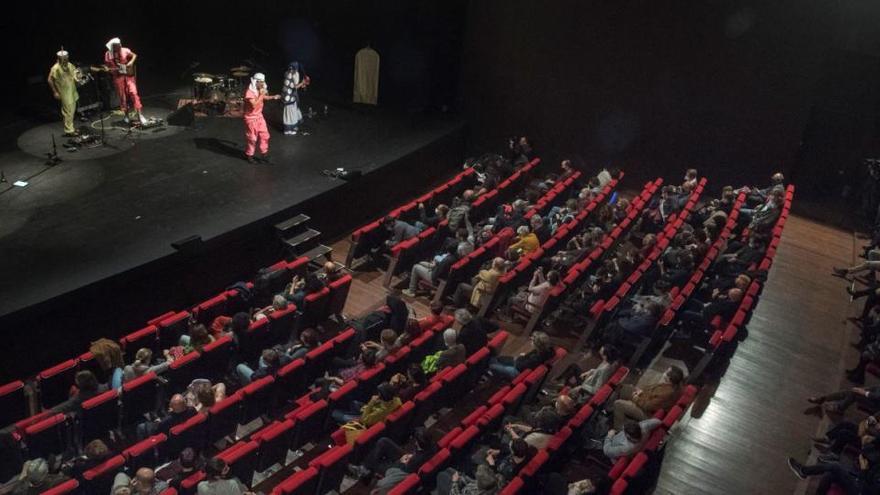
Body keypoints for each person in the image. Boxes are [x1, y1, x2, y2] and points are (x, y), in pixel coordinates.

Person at [348, 427, 436, 482]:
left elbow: (407, 470)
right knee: (384, 441)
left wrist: (403, 461)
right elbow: (417, 456)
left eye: (416, 440)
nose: (415, 442)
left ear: (419, 443)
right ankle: (367, 468)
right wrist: (409, 456)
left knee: (375, 461)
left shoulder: (417, 459)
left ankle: (363, 469)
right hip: (408, 459)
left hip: (399, 470)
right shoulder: (431, 446)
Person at [788, 443, 880, 494]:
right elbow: (869, 448)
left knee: (835, 466)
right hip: (861, 480)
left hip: (861, 490)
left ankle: (803, 471)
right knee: (829, 475)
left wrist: (864, 471)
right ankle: (803, 471)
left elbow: (868, 490)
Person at [611, 366, 684, 429]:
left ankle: (618, 429)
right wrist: (641, 392)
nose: (664, 372)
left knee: (618, 404)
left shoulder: (667, 392)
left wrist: (636, 397)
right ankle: (611, 412)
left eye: (666, 371)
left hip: (646, 414)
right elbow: (648, 391)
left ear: (669, 377)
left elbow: (648, 406)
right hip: (643, 401)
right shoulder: (667, 385)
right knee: (624, 388)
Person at [102, 37, 146, 125]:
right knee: (123, 97)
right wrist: (107, 69)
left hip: (128, 75)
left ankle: (140, 115)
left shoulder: (125, 50)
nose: (120, 46)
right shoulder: (108, 54)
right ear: (113, 46)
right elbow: (106, 65)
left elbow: (134, 55)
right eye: (118, 46)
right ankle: (126, 116)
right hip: (118, 77)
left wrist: (131, 62)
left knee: (134, 93)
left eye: (120, 45)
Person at [243, 72, 280, 163]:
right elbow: (254, 105)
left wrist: (273, 97)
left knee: (265, 135)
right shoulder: (249, 92)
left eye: (263, 82)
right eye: (261, 82)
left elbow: (264, 97)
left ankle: (264, 154)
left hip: (259, 117)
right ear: (256, 82)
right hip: (251, 119)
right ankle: (249, 155)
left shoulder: (259, 89)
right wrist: (262, 94)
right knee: (252, 138)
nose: (262, 84)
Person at [488, 332, 555, 380]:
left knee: (492, 365)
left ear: (537, 344)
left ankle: (496, 377)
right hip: (521, 363)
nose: (531, 341)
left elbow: (520, 366)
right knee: (498, 359)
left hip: (517, 372)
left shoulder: (536, 358)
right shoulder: (544, 351)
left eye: (532, 340)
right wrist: (522, 357)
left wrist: (520, 358)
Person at [47, 49, 79, 136]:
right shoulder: (55, 68)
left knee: (71, 111)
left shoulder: (69, 65)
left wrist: (77, 77)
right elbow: (50, 80)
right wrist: (55, 92)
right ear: (60, 59)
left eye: (66, 58)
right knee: (68, 111)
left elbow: (75, 73)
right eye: (64, 58)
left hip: (72, 91)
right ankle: (69, 130)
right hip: (64, 93)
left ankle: (71, 128)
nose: (66, 60)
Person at [281, 61, 308, 135]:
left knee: (289, 111)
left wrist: (302, 83)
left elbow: (293, 85)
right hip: (290, 96)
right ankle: (291, 128)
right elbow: (295, 87)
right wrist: (302, 83)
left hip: (286, 95)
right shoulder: (295, 74)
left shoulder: (286, 73)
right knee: (291, 111)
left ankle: (288, 129)